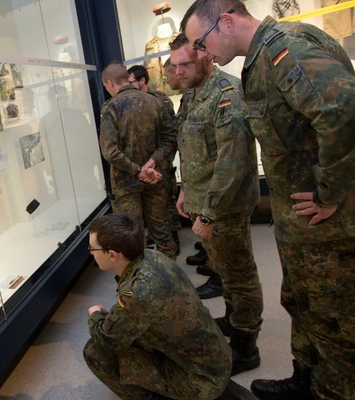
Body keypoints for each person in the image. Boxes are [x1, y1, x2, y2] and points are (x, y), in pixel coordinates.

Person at [181, 1, 355, 399]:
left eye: (200, 42)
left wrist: (329, 193)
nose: (200, 54)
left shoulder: (286, 50)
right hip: (299, 220)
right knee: (302, 302)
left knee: (335, 320)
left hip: (332, 221)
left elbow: (352, 114)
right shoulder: (262, 58)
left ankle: (340, 393)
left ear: (225, 22)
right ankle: (307, 380)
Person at [168, 32, 263, 375]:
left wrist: (207, 214)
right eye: (174, 65)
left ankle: (246, 346)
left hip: (225, 207)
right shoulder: (192, 96)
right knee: (222, 270)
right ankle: (235, 321)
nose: (177, 72)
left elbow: (231, 162)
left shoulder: (226, 94)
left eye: (185, 64)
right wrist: (185, 192)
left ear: (206, 57)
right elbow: (193, 152)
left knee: (239, 275)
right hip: (204, 200)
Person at [83, 213, 232, 399]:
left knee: (95, 353)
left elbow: (107, 340)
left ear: (112, 255)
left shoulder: (138, 293)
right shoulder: (153, 256)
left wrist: (95, 315)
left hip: (202, 380)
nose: (90, 252)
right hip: (215, 360)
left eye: (92, 249)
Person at [98, 62, 178, 259]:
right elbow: (169, 139)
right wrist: (152, 162)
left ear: (109, 83)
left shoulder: (111, 107)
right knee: (161, 230)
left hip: (126, 184)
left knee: (131, 236)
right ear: (127, 79)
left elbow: (110, 151)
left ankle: (140, 282)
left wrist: (137, 170)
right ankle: (170, 276)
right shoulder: (155, 101)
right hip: (155, 177)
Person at [127, 64, 181, 254]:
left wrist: (163, 158)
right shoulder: (132, 101)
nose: (128, 85)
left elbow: (170, 131)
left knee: (167, 198)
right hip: (146, 160)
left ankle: (173, 237)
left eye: (131, 81)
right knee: (155, 204)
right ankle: (163, 235)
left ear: (142, 80)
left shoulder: (160, 99)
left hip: (161, 157)